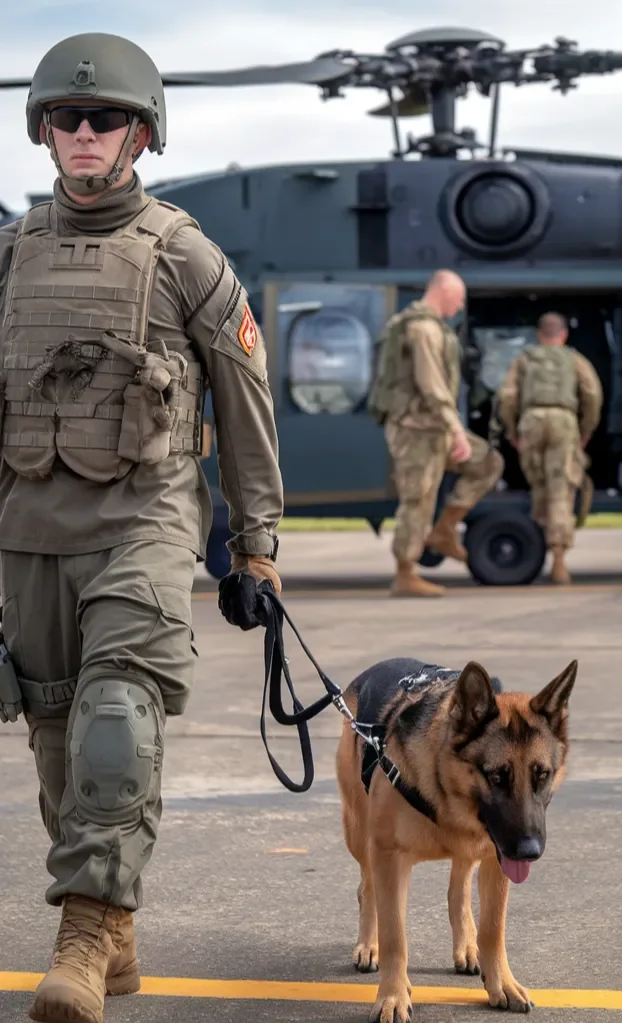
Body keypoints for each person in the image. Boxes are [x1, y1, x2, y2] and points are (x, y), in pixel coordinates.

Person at [0, 32, 283, 1023]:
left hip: (145, 523)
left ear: (140, 135)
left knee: (116, 723)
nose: (84, 132)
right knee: (57, 745)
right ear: (43, 131)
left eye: (105, 118)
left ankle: (81, 936)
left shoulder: (183, 253)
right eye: (66, 118)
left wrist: (258, 543)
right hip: (31, 531)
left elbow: (247, 402)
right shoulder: (12, 254)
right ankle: (114, 931)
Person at [368, 270, 504, 597]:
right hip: (416, 430)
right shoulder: (423, 329)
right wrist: (456, 430)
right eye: (457, 299)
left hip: (433, 427)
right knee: (418, 499)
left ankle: (444, 530)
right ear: (444, 292)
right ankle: (405, 574)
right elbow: (432, 386)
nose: (459, 306)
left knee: (487, 462)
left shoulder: (424, 326)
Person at [496, 311, 603, 584]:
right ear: (564, 334)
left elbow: (507, 397)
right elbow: (592, 394)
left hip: (531, 421)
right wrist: (585, 430)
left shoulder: (524, 360)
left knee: (539, 487)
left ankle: (538, 543)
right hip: (564, 421)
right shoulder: (574, 360)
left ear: (538, 335)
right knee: (560, 490)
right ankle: (558, 559)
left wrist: (512, 430)